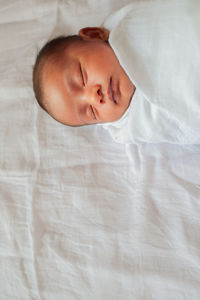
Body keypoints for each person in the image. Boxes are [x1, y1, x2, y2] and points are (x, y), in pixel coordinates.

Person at [33, 0, 200, 144]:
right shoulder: (133, 125)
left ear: (94, 35)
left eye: (82, 77)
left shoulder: (133, 27)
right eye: (92, 112)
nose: (94, 97)